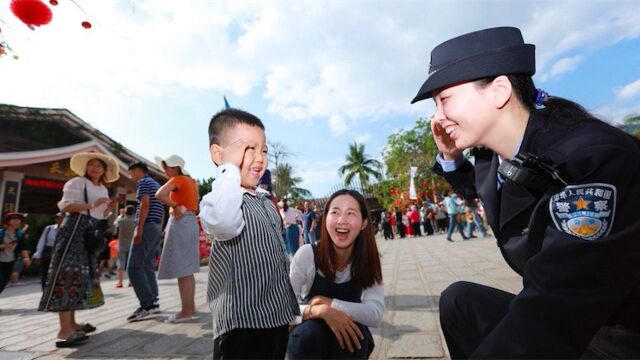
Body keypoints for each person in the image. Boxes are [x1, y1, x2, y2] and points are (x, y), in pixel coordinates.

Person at [411, 26, 640, 358]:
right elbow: (482, 193)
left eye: (445, 100)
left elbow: (552, 310)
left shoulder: (593, 158)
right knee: (459, 301)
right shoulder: (493, 158)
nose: (437, 118)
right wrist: (449, 157)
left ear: (499, 90)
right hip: (567, 314)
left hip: (613, 337)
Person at [199, 108, 299, 359]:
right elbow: (224, 223)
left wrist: (288, 310)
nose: (259, 157)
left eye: (263, 149)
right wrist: (229, 169)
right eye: (247, 148)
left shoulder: (265, 200)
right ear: (218, 154)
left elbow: (277, 260)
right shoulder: (220, 200)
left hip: (276, 318)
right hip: (241, 327)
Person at [287, 189, 384, 359]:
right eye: (335, 212)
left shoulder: (368, 260)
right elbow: (284, 308)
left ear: (363, 223)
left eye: (351, 213)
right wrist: (321, 311)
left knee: (354, 337)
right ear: (325, 220)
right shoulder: (307, 255)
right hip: (309, 340)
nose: (342, 220)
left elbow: (375, 313)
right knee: (307, 335)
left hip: (347, 344)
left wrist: (331, 303)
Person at [38, 152, 118, 347]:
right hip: (74, 229)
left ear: (104, 170)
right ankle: (64, 329)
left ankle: (72, 323)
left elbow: (100, 213)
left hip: (90, 231)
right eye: (91, 165)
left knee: (80, 275)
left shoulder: (102, 188)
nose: (95, 168)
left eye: (99, 165)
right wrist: (92, 204)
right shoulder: (77, 182)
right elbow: (65, 206)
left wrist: (108, 209)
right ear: (86, 167)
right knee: (68, 272)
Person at [154, 154, 200, 323]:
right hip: (190, 221)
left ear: (174, 167)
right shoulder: (191, 182)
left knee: (183, 270)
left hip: (181, 223)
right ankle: (190, 307)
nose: (165, 171)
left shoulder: (178, 179)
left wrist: (173, 205)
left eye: (166, 167)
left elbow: (159, 194)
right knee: (187, 269)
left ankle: (185, 311)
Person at [127, 162, 165, 322]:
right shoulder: (156, 184)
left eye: (131, 173)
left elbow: (144, 204)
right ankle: (153, 301)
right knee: (148, 265)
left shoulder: (143, 182)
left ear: (137, 170)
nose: (131, 176)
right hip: (156, 226)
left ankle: (147, 304)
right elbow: (161, 208)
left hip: (147, 225)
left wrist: (139, 229)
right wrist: (160, 228)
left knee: (134, 266)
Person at [0, 212, 31, 296]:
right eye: (14, 219)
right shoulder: (1, 233)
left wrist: (26, 258)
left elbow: (23, 247)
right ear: (8, 221)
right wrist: (4, 246)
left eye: (19, 220)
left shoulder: (19, 234)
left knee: (4, 282)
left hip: (10, 261)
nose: (17, 222)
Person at [33, 212, 65, 290]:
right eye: (57, 218)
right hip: (48, 252)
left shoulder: (68, 230)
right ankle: (45, 291)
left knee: (59, 274)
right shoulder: (49, 228)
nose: (59, 220)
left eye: (61, 218)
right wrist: (38, 255)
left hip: (61, 252)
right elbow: (42, 241)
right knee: (45, 273)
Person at [114, 205, 135, 288]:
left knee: (121, 263)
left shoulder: (121, 221)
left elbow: (115, 223)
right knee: (131, 263)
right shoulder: (135, 221)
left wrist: (120, 215)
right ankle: (131, 282)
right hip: (132, 244)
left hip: (122, 244)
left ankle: (120, 282)